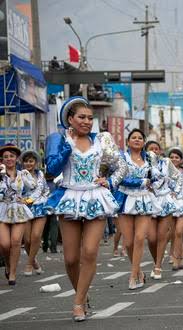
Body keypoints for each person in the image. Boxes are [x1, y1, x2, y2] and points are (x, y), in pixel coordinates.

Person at [45, 97, 127, 321]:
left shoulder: (101, 141)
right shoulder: (58, 139)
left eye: (90, 118)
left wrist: (108, 182)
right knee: (71, 259)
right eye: (81, 117)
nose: (87, 121)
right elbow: (51, 170)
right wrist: (67, 148)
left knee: (90, 252)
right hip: (69, 196)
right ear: (70, 119)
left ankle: (78, 303)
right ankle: (82, 293)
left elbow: (121, 165)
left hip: (94, 196)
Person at [114, 129, 161, 289]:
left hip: (144, 198)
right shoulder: (121, 157)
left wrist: (154, 177)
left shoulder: (150, 158)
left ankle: (133, 276)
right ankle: (139, 272)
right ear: (128, 141)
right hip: (125, 198)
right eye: (133, 137)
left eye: (140, 138)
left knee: (140, 237)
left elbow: (156, 177)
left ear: (143, 142)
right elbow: (120, 179)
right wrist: (143, 181)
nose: (136, 140)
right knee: (128, 242)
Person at [0, 145, 36, 285]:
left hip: (19, 210)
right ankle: (8, 265)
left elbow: (36, 187)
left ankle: (13, 272)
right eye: (6, 157)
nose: (9, 159)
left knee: (15, 242)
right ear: (2, 160)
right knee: (4, 244)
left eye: (11, 156)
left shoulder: (23, 174)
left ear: (16, 159)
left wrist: (27, 200)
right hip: (2, 209)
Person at [145, 140, 179, 280]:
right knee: (152, 238)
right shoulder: (143, 163)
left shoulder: (166, 162)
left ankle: (158, 266)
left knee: (162, 235)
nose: (154, 150)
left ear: (160, 151)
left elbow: (177, 177)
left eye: (156, 148)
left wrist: (175, 191)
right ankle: (156, 261)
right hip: (150, 200)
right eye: (151, 148)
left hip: (165, 200)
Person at [21, 150, 50, 276]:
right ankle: (34, 262)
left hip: (40, 207)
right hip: (25, 208)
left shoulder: (41, 175)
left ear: (36, 162)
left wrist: (43, 199)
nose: (29, 163)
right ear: (23, 163)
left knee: (36, 236)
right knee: (27, 240)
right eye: (26, 161)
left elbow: (46, 190)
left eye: (31, 161)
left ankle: (29, 264)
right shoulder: (20, 175)